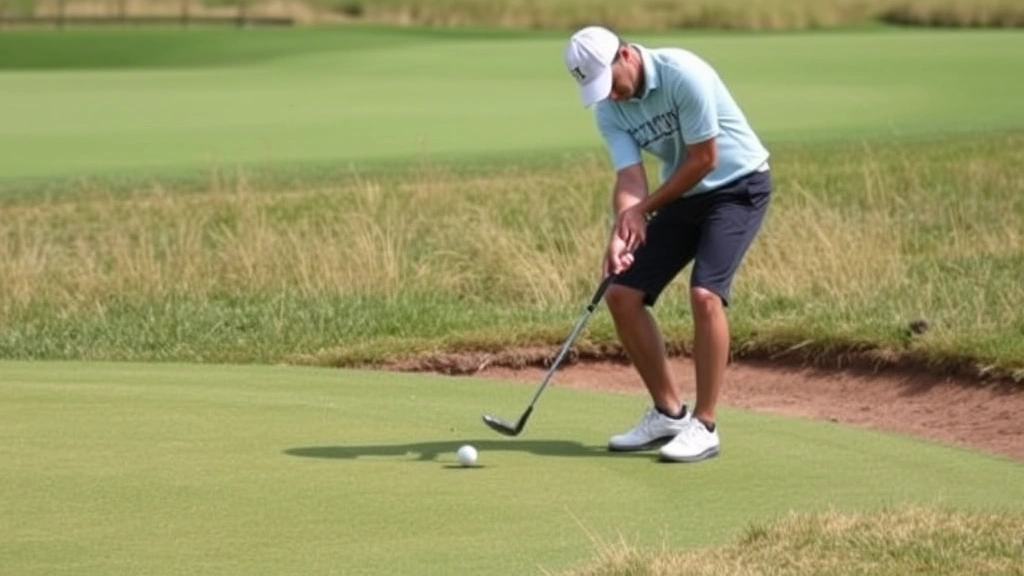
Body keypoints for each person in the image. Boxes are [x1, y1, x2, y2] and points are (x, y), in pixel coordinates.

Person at [563, 26, 772, 463]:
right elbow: (630, 179)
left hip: (738, 187)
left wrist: (644, 210)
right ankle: (670, 413)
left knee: (704, 294)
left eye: (610, 82)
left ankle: (706, 425)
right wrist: (623, 224)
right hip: (682, 195)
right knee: (622, 295)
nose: (610, 96)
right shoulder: (609, 108)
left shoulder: (684, 74)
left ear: (625, 55)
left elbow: (704, 160)